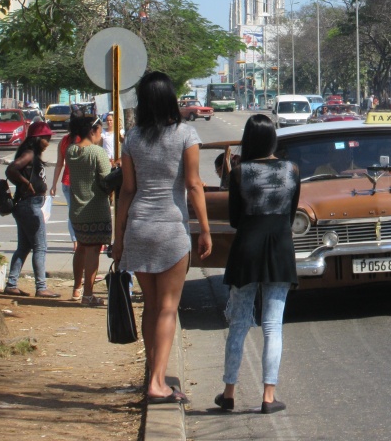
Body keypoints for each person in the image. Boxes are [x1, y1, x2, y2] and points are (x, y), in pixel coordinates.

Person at [112, 71, 212, 405]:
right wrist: (205, 230)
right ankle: (158, 382)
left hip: (139, 226)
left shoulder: (132, 138)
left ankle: (151, 377)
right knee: (169, 308)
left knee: (151, 307)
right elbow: (194, 185)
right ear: (170, 98)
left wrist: (119, 236)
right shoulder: (186, 134)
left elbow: (126, 190)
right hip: (171, 229)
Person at [215, 114, 299, 415]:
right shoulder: (292, 170)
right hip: (279, 248)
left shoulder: (240, 172)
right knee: (273, 325)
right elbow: (290, 216)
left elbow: (235, 219)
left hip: (246, 249)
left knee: (239, 323)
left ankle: (228, 393)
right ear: (273, 138)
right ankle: (268, 396)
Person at [4, 121, 60, 298]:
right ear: (37, 139)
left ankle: (12, 283)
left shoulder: (32, 153)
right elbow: (11, 169)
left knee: (24, 247)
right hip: (29, 205)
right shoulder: (28, 154)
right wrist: (26, 182)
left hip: (28, 204)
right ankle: (41, 287)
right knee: (40, 246)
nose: (48, 142)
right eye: (45, 138)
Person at [66, 116, 112, 305]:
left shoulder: (71, 151)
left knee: (81, 248)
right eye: (100, 132)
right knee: (94, 250)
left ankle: (77, 288)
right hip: (95, 209)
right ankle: (88, 295)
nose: (100, 136)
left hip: (77, 208)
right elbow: (107, 179)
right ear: (92, 131)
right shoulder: (97, 152)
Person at [51, 112, 84, 250]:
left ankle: (75, 242)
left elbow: (59, 164)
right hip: (82, 182)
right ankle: (82, 241)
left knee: (72, 213)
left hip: (67, 181)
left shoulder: (64, 141)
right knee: (83, 213)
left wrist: (53, 185)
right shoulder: (84, 140)